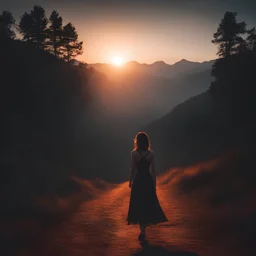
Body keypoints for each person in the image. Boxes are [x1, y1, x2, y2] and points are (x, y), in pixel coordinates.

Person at [127, 132, 168, 244]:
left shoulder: (134, 154)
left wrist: (130, 181)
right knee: (147, 204)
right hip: (147, 181)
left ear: (137, 141)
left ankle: (142, 230)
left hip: (138, 181)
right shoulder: (151, 154)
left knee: (138, 204)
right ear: (147, 141)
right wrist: (154, 185)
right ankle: (144, 230)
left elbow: (132, 169)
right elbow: (153, 171)